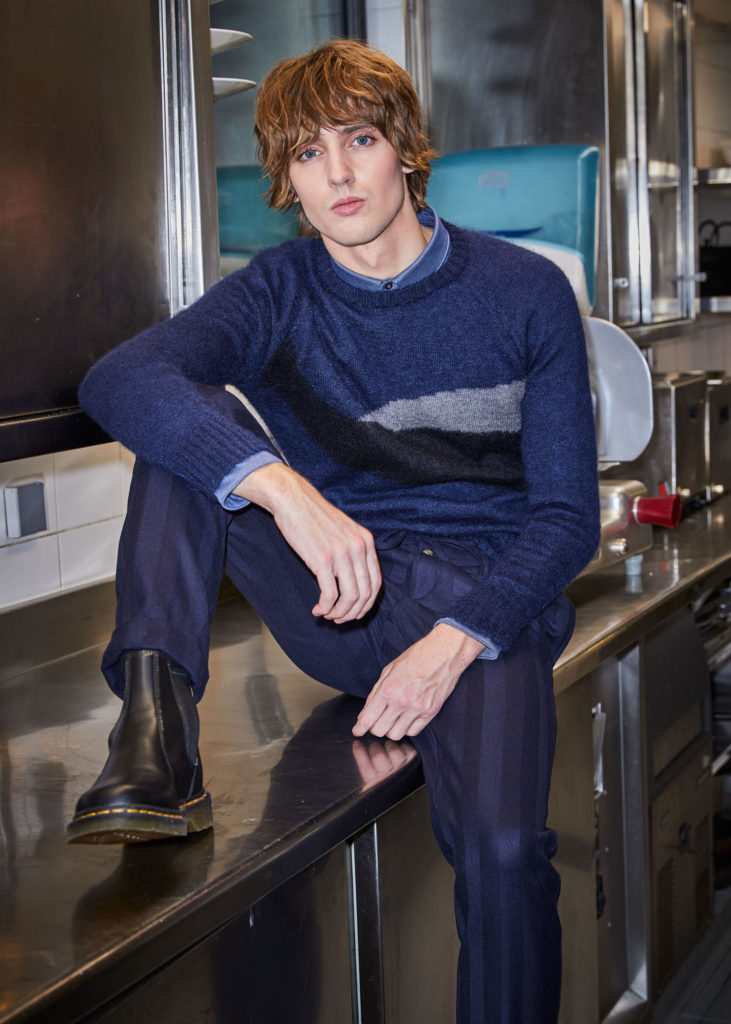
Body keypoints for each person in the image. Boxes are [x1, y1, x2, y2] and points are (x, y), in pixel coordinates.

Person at [67, 38, 600, 1023]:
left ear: (404, 148)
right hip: (342, 597)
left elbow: (568, 522)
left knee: (503, 855)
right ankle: (154, 739)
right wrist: (286, 492)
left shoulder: (524, 291)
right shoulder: (277, 290)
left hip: (480, 606)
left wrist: (454, 640)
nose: (338, 175)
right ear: (286, 179)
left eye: (358, 140)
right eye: (307, 154)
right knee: (184, 423)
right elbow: (117, 379)